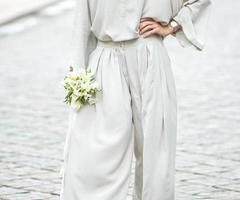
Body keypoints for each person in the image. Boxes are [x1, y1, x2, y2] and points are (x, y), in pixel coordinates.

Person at [60, 0, 211, 199]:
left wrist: (172, 26)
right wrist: (78, 76)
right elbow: (81, 24)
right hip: (105, 60)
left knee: (155, 148)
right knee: (96, 146)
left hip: (150, 56)